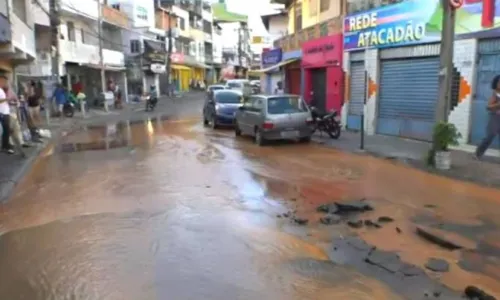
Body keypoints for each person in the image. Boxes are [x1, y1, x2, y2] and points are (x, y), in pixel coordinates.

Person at [475, 75, 500, 159]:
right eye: (499, 82)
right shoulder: (495, 94)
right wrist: (498, 104)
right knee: (490, 135)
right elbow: (488, 107)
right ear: (496, 83)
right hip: (495, 117)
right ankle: (478, 153)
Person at [0, 74, 14, 154]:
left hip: (5, 112)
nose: (5, 83)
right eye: (3, 81)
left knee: (6, 130)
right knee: (5, 130)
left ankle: (5, 145)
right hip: (2, 113)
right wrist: (6, 99)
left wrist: (9, 102)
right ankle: (5, 146)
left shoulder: (2, 89)